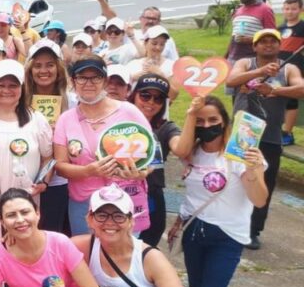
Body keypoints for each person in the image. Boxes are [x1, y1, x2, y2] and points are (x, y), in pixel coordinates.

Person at [171, 95, 268, 287]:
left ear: (225, 121)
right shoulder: (194, 152)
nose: (207, 126)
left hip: (227, 237)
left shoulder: (242, 155)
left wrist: (253, 170)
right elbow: (189, 184)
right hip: (195, 231)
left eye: (213, 120)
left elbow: (260, 199)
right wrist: (179, 222)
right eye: (201, 121)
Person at [53, 56, 152, 235]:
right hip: (83, 204)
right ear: (73, 82)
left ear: (105, 81)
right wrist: (88, 171)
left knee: (124, 258)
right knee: (86, 256)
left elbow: (152, 158)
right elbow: (60, 166)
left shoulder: (129, 112)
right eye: (82, 77)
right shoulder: (66, 119)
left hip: (124, 201)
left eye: (95, 77)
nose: (88, 83)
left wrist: (140, 173)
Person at [227, 28, 304, 249]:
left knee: (264, 183)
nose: (268, 45)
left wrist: (275, 90)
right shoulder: (245, 63)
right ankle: (233, 223)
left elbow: (301, 88)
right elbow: (231, 79)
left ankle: (253, 230)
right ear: (255, 46)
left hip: (270, 137)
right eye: (263, 42)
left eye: (273, 41)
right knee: (235, 181)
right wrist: (259, 71)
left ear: (279, 46)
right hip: (242, 135)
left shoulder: (289, 67)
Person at [0, 60, 53, 238]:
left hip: (23, 201)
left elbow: (48, 158)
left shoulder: (37, 120)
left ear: (22, 88)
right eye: (1, 85)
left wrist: (43, 182)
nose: (6, 90)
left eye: (13, 85)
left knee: (22, 247)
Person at [130, 76, 189, 246]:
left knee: (146, 248)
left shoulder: (165, 127)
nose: (151, 102)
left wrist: (191, 116)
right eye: (145, 95)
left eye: (158, 98)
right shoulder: (117, 120)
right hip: (117, 192)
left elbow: (180, 149)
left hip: (151, 196)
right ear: (134, 95)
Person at [24, 40, 70, 233]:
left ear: (59, 69)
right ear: (30, 70)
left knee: (52, 234)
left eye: (50, 64)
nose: (44, 70)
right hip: (26, 179)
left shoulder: (73, 102)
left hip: (59, 182)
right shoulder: (20, 101)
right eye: (38, 65)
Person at [226, 0, 276, 66]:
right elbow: (234, 36)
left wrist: (250, 40)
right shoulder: (238, 11)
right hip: (233, 58)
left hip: (253, 59)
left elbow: (272, 36)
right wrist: (226, 56)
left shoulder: (265, 10)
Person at [278, 0, 304, 145]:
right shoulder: (279, 29)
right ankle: (280, 129)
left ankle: (288, 133)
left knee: (291, 101)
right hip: (280, 68)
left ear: (301, 9)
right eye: (287, 8)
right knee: (280, 99)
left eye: (294, 8)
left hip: (297, 70)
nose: (290, 12)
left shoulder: (303, 27)